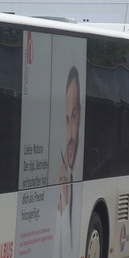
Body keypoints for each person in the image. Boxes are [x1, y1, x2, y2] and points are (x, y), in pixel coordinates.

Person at [57, 64, 81, 219]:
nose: (70, 135)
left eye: (73, 115)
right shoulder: (64, 181)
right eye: (67, 119)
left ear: (80, 116)